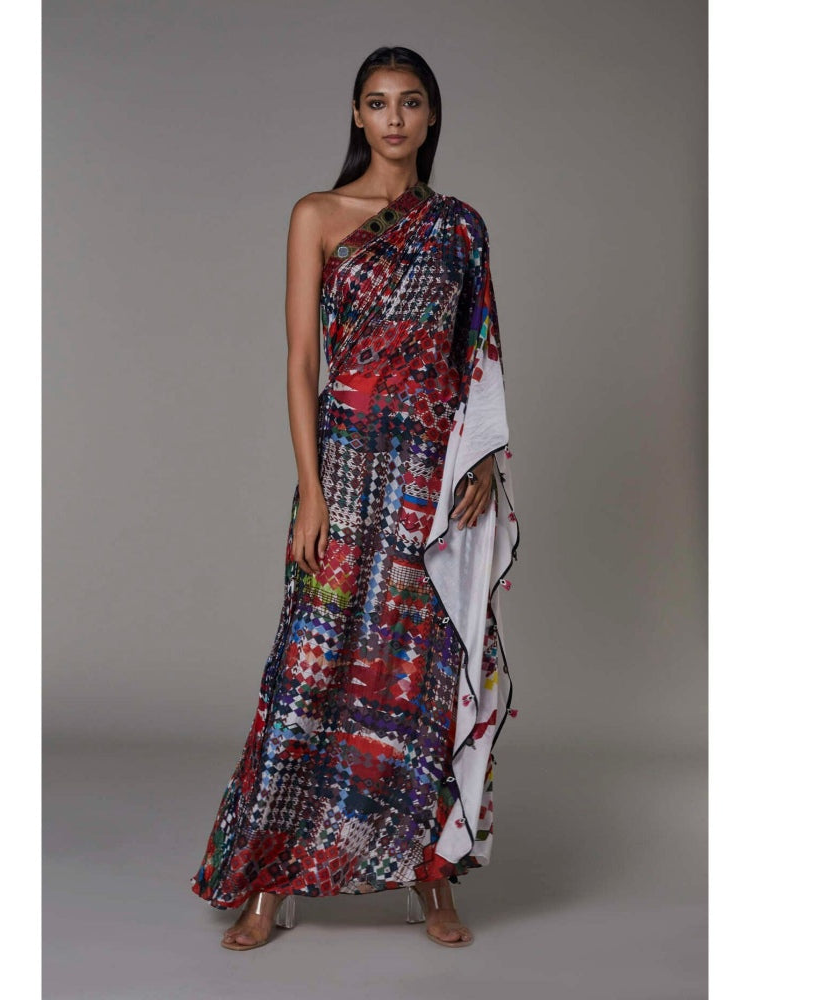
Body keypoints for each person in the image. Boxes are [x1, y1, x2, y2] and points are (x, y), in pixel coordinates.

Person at [189, 45, 520, 951]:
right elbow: (302, 361)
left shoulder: (460, 228)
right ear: (357, 115)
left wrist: (484, 463)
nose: (395, 118)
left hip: (432, 477)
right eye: (378, 103)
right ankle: (269, 879)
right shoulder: (317, 214)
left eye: (411, 102)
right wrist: (310, 491)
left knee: (422, 673)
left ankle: (431, 875)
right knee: (310, 667)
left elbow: (480, 355)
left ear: (432, 115)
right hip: (344, 464)